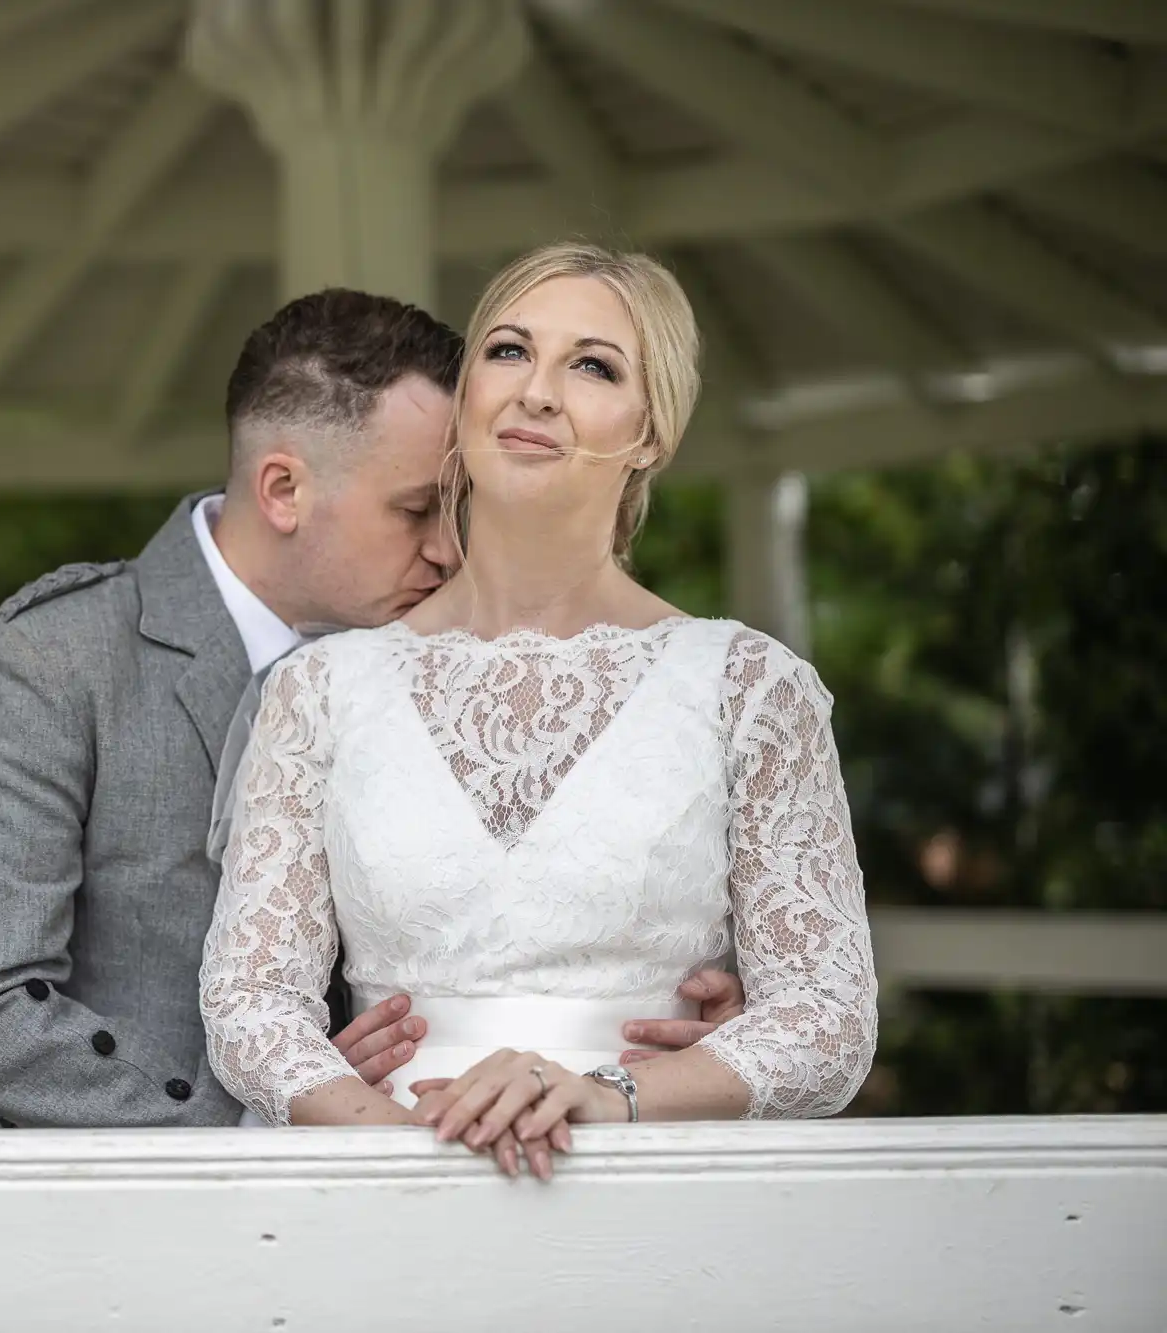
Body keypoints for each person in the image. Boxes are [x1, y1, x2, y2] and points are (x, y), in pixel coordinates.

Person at [0, 288, 745, 1130]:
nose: (446, 547)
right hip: (133, 1216)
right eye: (415, 508)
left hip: (427, 1173)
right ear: (283, 488)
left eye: (456, 507)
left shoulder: (459, 668)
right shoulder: (58, 655)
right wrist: (281, 1107)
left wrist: (697, 1018)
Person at [199, 243, 878, 1174]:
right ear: (468, 393)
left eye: (593, 366)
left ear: (651, 433)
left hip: (653, 1184)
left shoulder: (750, 688)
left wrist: (607, 1096)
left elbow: (829, 1018)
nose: (537, 392)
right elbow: (250, 1002)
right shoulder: (321, 691)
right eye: (509, 351)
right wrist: (400, 1144)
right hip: (387, 1188)